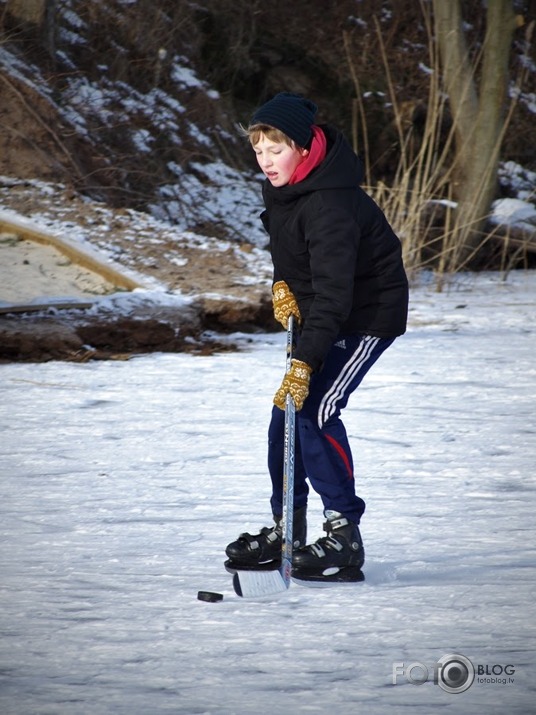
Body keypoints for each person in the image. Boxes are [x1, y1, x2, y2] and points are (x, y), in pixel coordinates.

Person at [225, 92, 408, 580]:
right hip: (327, 309)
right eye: (258, 151)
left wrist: (305, 364)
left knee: (313, 408)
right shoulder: (287, 187)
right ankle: (288, 527)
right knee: (285, 413)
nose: (265, 162)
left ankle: (344, 534)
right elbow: (290, 250)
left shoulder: (330, 203)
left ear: (304, 148)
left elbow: (334, 295)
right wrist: (281, 284)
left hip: (365, 315)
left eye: (275, 150)